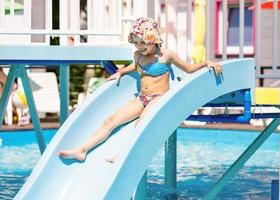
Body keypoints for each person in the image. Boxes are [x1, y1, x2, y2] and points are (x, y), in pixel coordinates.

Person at [59, 17, 222, 162]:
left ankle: (124, 154)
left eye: (143, 42)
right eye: (136, 42)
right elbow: (135, 66)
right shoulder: (138, 55)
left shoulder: (166, 55)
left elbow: (188, 68)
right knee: (111, 120)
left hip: (159, 98)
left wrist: (206, 63)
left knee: (141, 123)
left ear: (154, 39)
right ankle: (82, 150)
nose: (139, 46)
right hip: (142, 98)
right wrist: (121, 72)